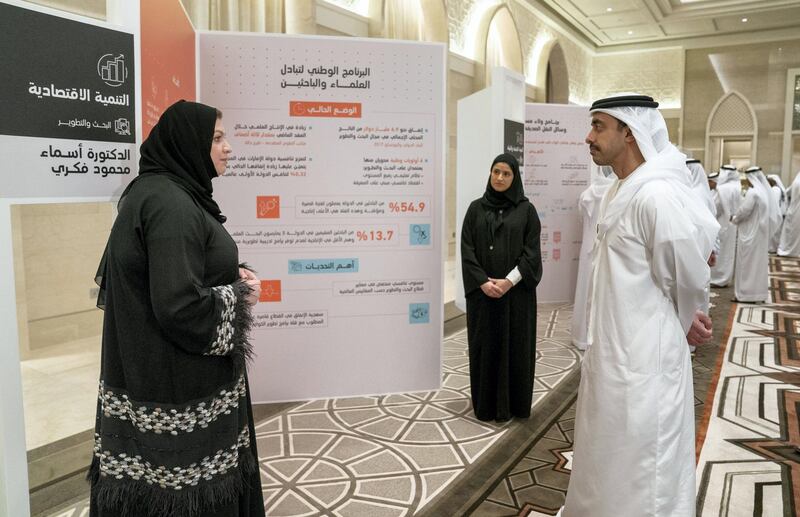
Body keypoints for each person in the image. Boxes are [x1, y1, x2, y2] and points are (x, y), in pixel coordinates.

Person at [89, 101, 265, 517]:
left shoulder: (161, 192)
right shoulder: (171, 204)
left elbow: (165, 273)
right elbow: (179, 306)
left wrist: (227, 273)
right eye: (217, 138)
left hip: (158, 378)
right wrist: (239, 297)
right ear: (189, 143)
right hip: (177, 387)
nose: (229, 148)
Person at [561, 94, 718, 517]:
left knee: (644, 466)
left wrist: (686, 319)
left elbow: (687, 275)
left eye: (598, 126)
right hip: (612, 353)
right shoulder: (620, 189)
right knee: (607, 455)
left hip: (647, 359)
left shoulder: (656, 196)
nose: (588, 137)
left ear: (629, 132)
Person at [460, 153, 542, 422]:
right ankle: (485, 406)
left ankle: (514, 406)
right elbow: (467, 249)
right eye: (496, 172)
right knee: (485, 348)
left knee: (515, 349)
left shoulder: (527, 211)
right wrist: (482, 282)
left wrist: (509, 281)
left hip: (516, 296)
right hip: (483, 297)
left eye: (506, 174)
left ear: (515, 177)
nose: (500, 178)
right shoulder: (475, 209)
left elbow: (531, 254)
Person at [572, 164, 613, 351]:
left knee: (584, 291)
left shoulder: (587, 194)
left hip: (587, 247)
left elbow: (582, 218)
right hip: (605, 248)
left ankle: (580, 336)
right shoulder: (617, 192)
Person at [731, 167, 770, 303]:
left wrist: (734, 219)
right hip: (760, 234)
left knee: (746, 264)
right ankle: (758, 294)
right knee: (757, 265)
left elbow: (744, 211)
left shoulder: (753, 193)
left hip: (750, 234)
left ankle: (745, 294)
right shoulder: (763, 192)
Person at [710, 165, 741, 287]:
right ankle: (725, 277)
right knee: (728, 253)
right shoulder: (737, 187)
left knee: (719, 252)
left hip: (721, 224)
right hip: (733, 225)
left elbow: (715, 207)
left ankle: (717, 278)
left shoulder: (722, 189)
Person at [778, 171, 800, 257]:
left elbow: (787, 192)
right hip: (797, 210)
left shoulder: (795, 182)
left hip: (792, 209)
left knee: (790, 230)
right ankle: (794, 251)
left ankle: (786, 248)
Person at [767, 174, 787, 252]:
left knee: (775, 232)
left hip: (776, 214)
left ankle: (772, 248)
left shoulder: (775, 189)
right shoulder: (779, 189)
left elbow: (774, 203)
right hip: (780, 214)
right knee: (777, 232)